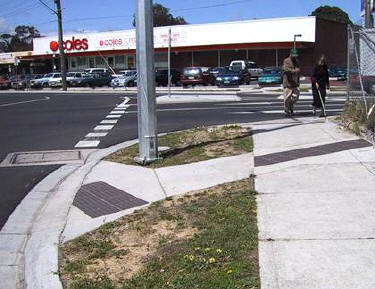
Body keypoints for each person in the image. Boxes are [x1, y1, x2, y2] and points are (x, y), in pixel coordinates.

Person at [282, 50, 301, 117]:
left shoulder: (297, 61)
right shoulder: (286, 61)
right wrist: (293, 70)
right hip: (287, 83)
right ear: (291, 54)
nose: (295, 57)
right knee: (287, 98)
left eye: (295, 56)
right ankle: (287, 111)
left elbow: (298, 71)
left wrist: (298, 81)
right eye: (294, 56)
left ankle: (290, 106)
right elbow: (285, 69)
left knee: (296, 97)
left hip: (295, 83)